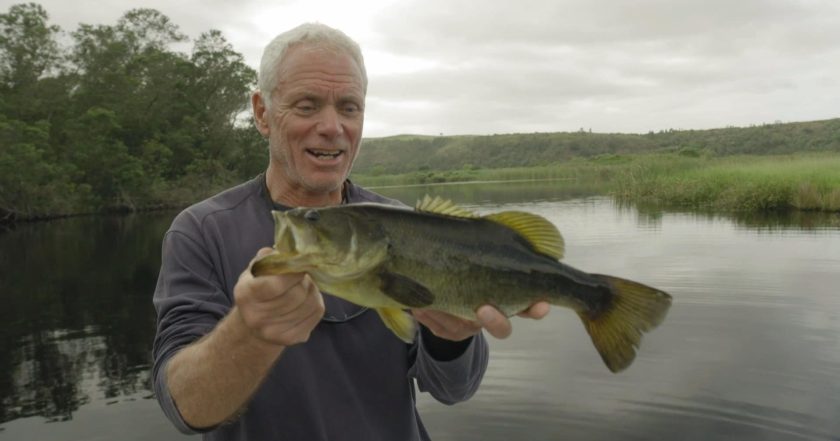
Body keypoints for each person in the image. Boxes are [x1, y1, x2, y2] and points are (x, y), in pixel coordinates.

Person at [152, 23, 550, 441]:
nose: (332, 126)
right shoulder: (201, 232)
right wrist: (248, 333)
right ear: (262, 112)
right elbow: (186, 409)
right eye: (307, 106)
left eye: (349, 107)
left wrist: (451, 339)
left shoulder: (404, 225)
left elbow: (455, 389)